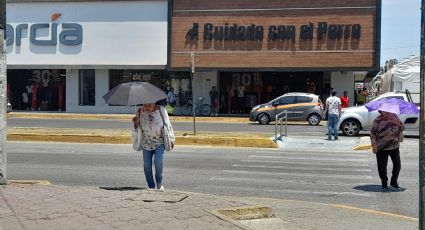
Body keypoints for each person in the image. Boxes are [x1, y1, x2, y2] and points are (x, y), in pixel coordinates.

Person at [132, 103, 174, 191]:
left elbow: (168, 125)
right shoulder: (139, 111)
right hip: (146, 143)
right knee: (147, 165)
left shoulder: (161, 110)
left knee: (158, 162)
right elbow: (136, 128)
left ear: (154, 103)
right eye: (145, 105)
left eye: (149, 105)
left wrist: (171, 138)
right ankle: (151, 185)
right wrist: (136, 122)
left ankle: (159, 182)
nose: (147, 107)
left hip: (159, 142)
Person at [370, 104, 404, 190]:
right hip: (381, 147)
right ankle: (384, 183)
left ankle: (394, 181)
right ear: (380, 111)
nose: (387, 112)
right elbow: (372, 133)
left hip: (394, 146)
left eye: (388, 109)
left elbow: (402, 127)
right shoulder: (377, 120)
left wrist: (399, 124)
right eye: (384, 110)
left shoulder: (394, 117)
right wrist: (374, 145)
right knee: (382, 167)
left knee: (397, 165)